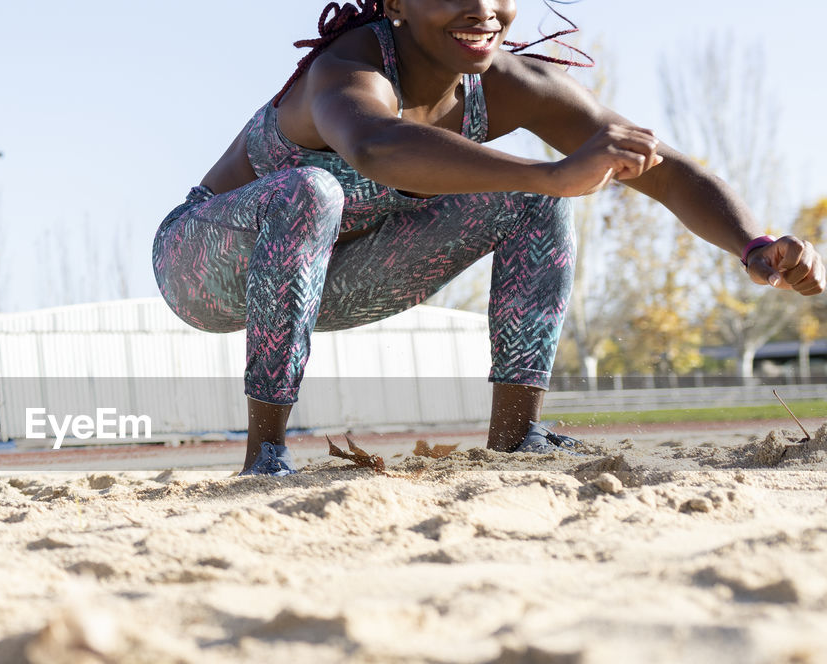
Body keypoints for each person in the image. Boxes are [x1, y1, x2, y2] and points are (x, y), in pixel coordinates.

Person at [151, 0, 825, 476]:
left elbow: (664, 170)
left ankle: (515, 434)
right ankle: (265, 452)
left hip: (337, 278)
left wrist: (753, 245)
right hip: (207, 268)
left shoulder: (509, 84)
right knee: (311, 191)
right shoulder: (347, 69)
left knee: (529, 198)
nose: (481, 10)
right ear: (397, 3)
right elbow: (378, 148)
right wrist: (558, 171)